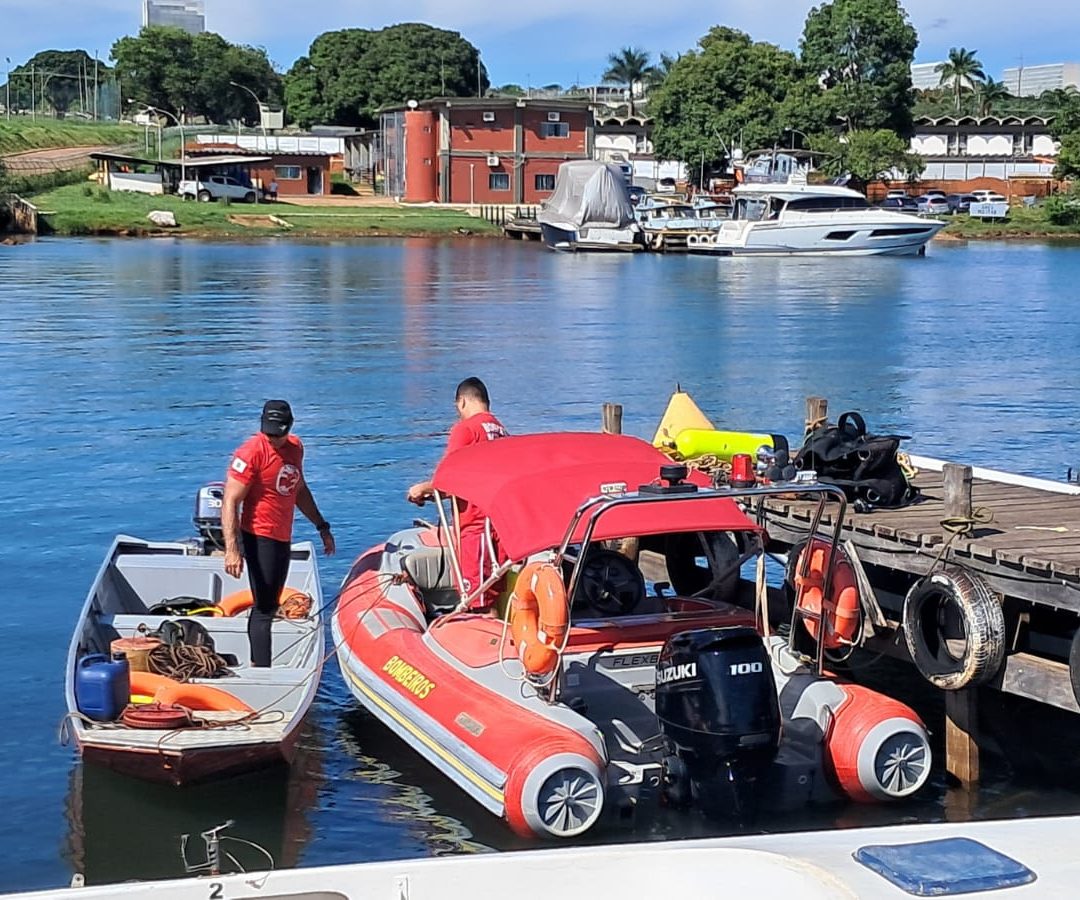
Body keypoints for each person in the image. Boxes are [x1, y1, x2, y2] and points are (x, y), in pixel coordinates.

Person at [223, 400, 335, 666]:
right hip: (258, 534)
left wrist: (321, 526)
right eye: (269, 433)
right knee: (264, 608)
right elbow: (230, 500)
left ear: (289, 427)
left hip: (282, 535)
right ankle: (262, 669)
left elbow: (299, 490)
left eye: (278, 434)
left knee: (271, 604)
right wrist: (232, 549)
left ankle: (260, 664)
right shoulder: (251, 452)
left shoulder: (295, 448)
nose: (273, 439)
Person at [407, 378, 507, 609]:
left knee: (477, 601)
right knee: (490, 596)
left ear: (462, 402)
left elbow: (449, 480)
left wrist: (421, 489)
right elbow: (477, 479)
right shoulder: (500, 430)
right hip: (499, 527)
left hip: (476, 528)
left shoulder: (466, 429)